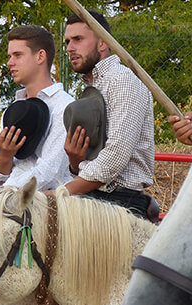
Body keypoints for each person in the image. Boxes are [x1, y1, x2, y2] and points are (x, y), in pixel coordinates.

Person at [62, 10, 155, 219]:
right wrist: (76, 163)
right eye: (67, 41)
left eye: (78, 39)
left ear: (102, 43)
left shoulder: (122, 80)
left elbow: (115, 159)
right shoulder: (94, 86)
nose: (69, 48)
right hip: (96, 200)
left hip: (121, 205)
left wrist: (59, 193)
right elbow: (96, 164)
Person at [0, 25, 74, 191]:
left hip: (48, 207)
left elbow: (50, 173)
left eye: (17, 55)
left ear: (40, 56)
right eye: (10, 56)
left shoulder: (64, 107)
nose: (9, 62)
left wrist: (4, 194)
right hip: (9, 201)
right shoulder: (13, 110)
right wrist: (5, 157)